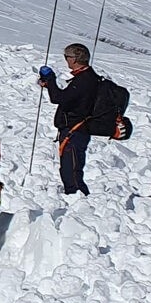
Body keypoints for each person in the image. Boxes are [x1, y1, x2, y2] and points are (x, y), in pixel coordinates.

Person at [39, 43, 99, 195]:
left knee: (70, 169)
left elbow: (58, 98)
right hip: (79, 130)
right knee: (72, 167)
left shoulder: (83, 80)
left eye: (67, 57)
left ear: (75, 59)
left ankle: (77, 198)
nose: (66, 60)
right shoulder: (89, 78)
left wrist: (50, 79)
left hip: (74, 131)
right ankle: (76, 197)